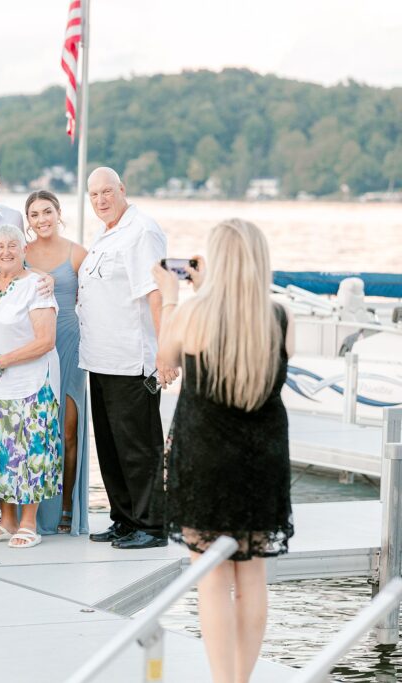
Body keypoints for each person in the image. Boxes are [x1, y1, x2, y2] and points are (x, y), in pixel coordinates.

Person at [152, 218, 294, 683]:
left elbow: (165, 358)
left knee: (213, 579)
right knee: (251, 576)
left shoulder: (194, 315)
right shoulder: (281, 317)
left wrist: (174, 295)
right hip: (261, 459)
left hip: (204, 458)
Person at [78, 167, 171, 550]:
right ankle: (124, 519)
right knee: (112, 448)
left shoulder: (141, 231)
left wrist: (166, 349)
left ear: (122, 189)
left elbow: (157, 292)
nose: (100, 200)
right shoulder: (105, 234)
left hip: (131, 359)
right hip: (100, 358)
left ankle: (150, 526)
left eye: (107, 192)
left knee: (138, 447)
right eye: (94, 194)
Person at [0, 224, 61, 550]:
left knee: (29, 451)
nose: (6, 251)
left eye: (13, 245)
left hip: (28, 385)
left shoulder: (36, 285)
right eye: (0, 246)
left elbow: (46, 340)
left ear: (24, 250)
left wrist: (2, 361)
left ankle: (29, 523)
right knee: (0, 453)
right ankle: (6, 521)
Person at [23, 191, 90, 537]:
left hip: (70, 343)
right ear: (28, 221)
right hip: (35, 345)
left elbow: (96, 300)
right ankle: (35, 509)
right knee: (37, 429)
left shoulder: (77, 253)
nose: (41, 219)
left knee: (68, 430)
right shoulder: (21, 254)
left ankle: (66, 509)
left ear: (58, 213)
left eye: (47, 211)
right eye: (34, 215)